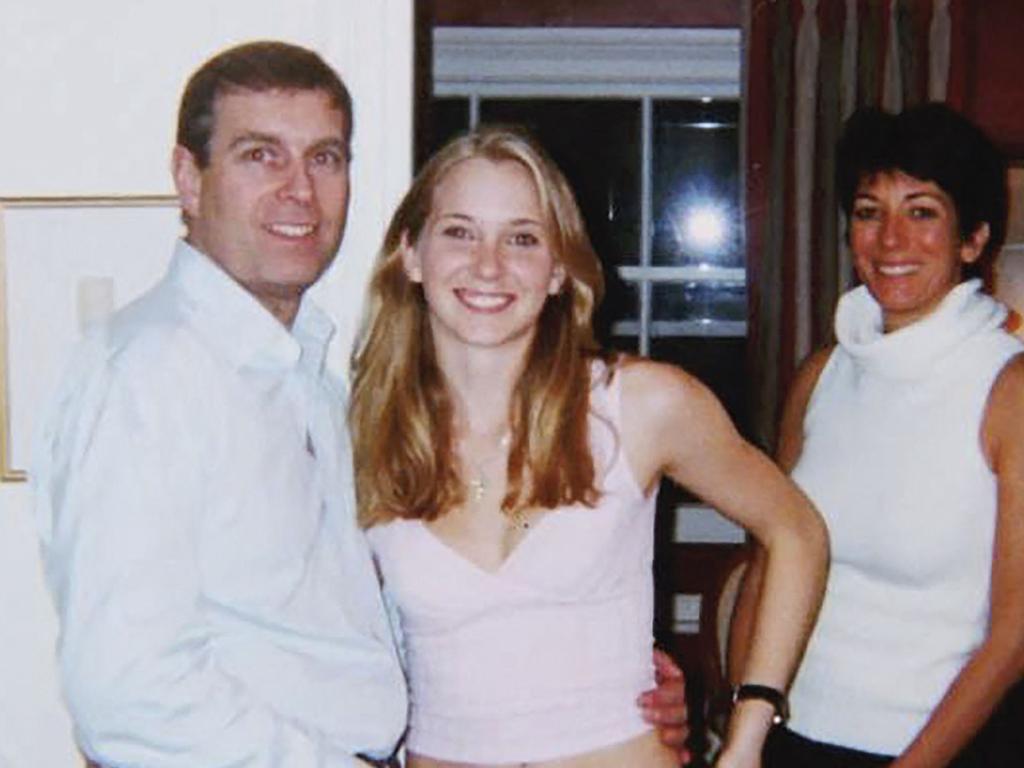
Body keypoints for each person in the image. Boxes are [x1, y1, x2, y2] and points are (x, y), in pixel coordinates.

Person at [32, 42, 690, 768]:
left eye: (325, 158)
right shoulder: (147, 375)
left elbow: (347, 626)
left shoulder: (318, 381)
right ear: (190, 178)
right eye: (260, 156)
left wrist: (583, 673)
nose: (299, 190)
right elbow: (127, 694)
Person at [349, 125, 829, 768]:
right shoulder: (360, 433)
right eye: (459, 232)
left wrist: (746, 737)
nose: (488, 265)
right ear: (411, 255)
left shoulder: (641, 406)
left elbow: (797, 530)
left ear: (557, 270)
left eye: (522, 238)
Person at [729, 103, 1024, 767]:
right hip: (790, 737)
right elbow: (767, 565)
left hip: (937, 750)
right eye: (869, 211)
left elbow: (1014, 633)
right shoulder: (822, 374)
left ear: (973, 239)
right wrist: (743, 721)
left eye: (922, 212)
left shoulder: (1009, 391)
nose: (890, 240)